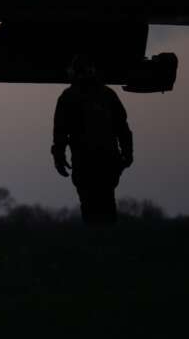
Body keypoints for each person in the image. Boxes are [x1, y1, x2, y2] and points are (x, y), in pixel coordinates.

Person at [52, 54, 134, 225]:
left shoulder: (68, 97)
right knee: (106, 203)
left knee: (90, 206)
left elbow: (60, 132)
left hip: (87, 162)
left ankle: (97, 241)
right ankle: (106, 241)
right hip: (106, 161)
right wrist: (127, 153)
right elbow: (123, 129)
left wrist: (59, 157)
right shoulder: (107, 94)